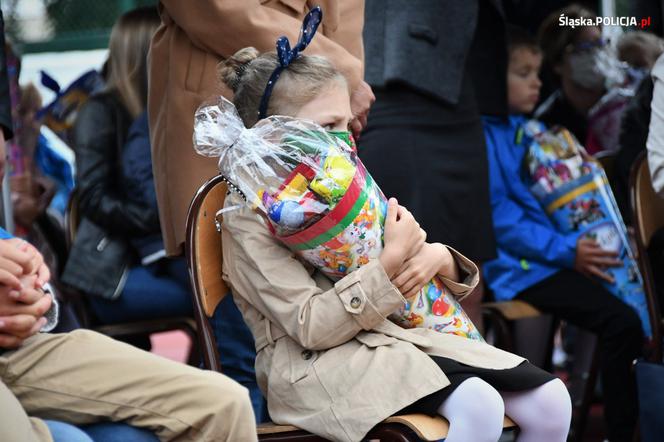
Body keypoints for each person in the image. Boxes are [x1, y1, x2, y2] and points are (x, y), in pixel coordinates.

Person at [209, 31, 573, 440]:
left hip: (395, 339)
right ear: (270, 132)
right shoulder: (248, 214)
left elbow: (400, 252)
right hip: (315, 368)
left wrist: (438, 256)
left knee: (552, 401)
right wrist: (389, 264)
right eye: (328, 125)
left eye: (347, 123)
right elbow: (309, 326)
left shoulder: (335, 176)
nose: (344, 139)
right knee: (478, 405)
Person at [0, 11, 257, 441]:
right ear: (147, 54)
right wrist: (156, 226)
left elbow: (18, 264)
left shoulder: (162, 113)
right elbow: (95, 198)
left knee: (226, 384)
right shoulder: (104, 111)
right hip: (111, 273)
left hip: (42, 330)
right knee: (230, 289)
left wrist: (30, 291)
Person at [482, 26, 643, 442]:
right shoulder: (486, 136)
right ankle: (622, 431)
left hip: (548, 258)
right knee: (620, 321)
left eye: (536, 72)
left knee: (629, 305)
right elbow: (503, 222)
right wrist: (570, 251)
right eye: (522, 73)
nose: (536, 82)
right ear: (493, 77)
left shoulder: (525, 130)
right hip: (519, 269)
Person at [148, 0, 372, 257]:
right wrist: (340, 75)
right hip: (236, 100)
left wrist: (341, 88)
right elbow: (219, 8)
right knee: (237, 257)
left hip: (327, 98)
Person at [535, 4, 628, 154]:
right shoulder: (548, 123)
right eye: (585, 47)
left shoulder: (623, 104)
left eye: (600, 43)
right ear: (557, 63)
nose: (597, 53)